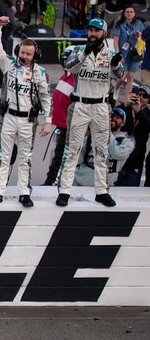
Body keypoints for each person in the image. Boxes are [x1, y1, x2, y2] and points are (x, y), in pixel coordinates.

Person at [57, 18, 122, 207]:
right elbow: (69, 67)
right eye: (90, 30)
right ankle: (64, 191)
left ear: (104, 33)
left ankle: (101, 191)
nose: (92, 33)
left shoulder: (110, 54)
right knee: (72, 150)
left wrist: (116, 64)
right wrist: (85, 53)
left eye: (96, 30)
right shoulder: (78, 50)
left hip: (101, 106)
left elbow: (119, 75)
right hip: (80, 105)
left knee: (101, 151)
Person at [0, 19, 51, 207]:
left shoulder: (41, 73)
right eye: (22, 52)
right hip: (8, 117)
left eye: (28, 54)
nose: (24, 56)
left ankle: (24, 193)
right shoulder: (9, 65)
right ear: (18, 51)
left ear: (35, 55)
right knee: (3, 156)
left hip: (28, 120)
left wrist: (48, 120)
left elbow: (46, 97)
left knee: (26, 158)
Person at [113, 6, 144, 105]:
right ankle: (116, 88)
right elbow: (115, 41)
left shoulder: (138, 24)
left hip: (134, 54)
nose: (129, 14)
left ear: (134, 13)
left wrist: (140, 36)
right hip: (123, 54)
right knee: (122, 77)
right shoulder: (120, 25)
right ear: (124, 13)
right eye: (127, 12)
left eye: (131, 12)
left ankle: (127, 99)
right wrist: (118, 54)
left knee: (130, 77)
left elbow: (144, 38)